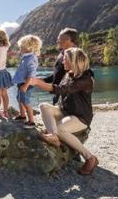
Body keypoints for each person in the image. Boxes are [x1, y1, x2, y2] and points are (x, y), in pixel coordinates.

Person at [32, 47, 98, 175]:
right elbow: (58, 86)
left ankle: (90, 158)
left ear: (74, 61)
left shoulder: (86, 79)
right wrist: (37, 81)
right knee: (43, 106)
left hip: (80, 117)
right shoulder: (68, 74)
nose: (63, 62)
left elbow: (61, 89)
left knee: (61, 129)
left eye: (65, 60)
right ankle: (53, 136)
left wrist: (37, 83)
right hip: (65, 111)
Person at [12, 34, 42, 129]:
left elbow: (31, 73)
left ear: (28, 47)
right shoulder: (25, 57)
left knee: (26, 101)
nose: (19, 49)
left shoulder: (31, 58)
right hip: (21, 83)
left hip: (26, 84)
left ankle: (31, 121)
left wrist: (25, 85)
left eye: (21, 47)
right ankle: (22, 116)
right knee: (19, 99)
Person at [42, 28, 79, 105]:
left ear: (68, 40)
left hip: (69, 98)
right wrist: (42, 80)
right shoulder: (62, 54)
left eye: (59, 39)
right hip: (58, 94)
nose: (57, 41)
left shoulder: (77, 55)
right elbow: (58, 73)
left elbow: (77, 78)